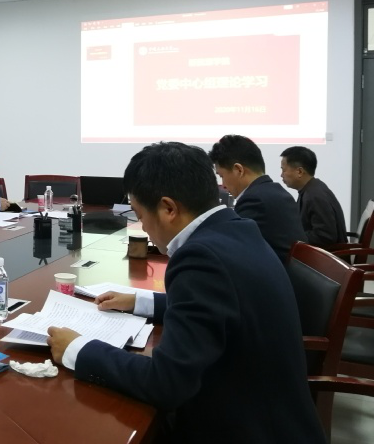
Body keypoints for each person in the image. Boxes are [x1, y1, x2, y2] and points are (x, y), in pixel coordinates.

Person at [47, 142, 325, 444]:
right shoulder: (236, 229)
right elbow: (216, 304)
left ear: (168, 208)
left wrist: (78, 349)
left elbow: (166, 383)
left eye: (140, 215)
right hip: (277, 418)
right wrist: (140, 300)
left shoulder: (201, 258)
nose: (143, 227)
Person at [209, 134, 306, 262]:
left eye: (222, 176)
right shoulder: (276, 192)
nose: (223, 185)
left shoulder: (255, 201)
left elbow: (231, 248)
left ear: (239, 170)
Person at [281, 146, 347, 249]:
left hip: (326, 257)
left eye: (283, 170)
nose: (281, 175)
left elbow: (325, 236)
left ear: (299, 172)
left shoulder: (315, 196)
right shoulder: (311, 189)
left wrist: (293, 236)